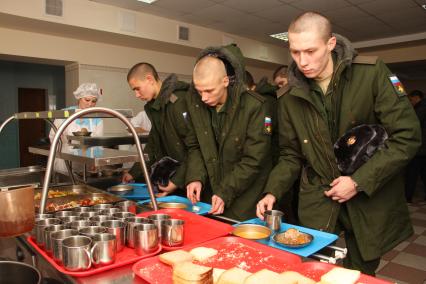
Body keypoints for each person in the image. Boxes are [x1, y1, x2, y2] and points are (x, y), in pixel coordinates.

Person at [256, 12, 420, 275]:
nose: (302, 62)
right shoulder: (288, 96)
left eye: (311, 51)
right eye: (295, 52)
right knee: (313, 271)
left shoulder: (371, 73)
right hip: (318, 197)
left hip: (369, 196)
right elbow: (290, 154)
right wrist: (271, 191)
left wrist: (358, 182)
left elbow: (407, 136)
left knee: (360, 272)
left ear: (331, 43)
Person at [185, 45, 273, 221]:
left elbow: (253, 160)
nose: (203, 97)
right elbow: (195, 145)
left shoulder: (255, 106)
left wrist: (225, 191)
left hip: (245, 197)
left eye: (209, 90)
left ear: (225, 81)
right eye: (199, 90)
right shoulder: (195, 103)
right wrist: (195, 177)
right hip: (212, 194)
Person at [121, 62, 204, 198]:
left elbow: (196, 148)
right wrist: (134, 172)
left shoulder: (179, 102)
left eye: (137, 88)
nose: (136, 94)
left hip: (191, 180)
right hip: (174, 178)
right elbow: (153, 144)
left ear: (149, 79)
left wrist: (177, 181)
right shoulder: (155, 107)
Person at [49, 83, 104, 174]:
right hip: (65, 162)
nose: (90, 104)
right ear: (79, 98)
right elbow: (53, 137)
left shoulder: (97, 118)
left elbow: (98, 143)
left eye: (94, 101)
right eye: (87, 100)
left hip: (86, 163)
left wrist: (96, 161)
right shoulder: (65, 113)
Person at [405, 90, 426, 203]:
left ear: (417, 97)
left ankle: (407, 197)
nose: (411, 102)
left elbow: (413, 124)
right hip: (423, 147)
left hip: (419, 147)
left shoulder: (421, 109)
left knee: (411, 173)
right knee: (423, 173)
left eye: (411, 100)